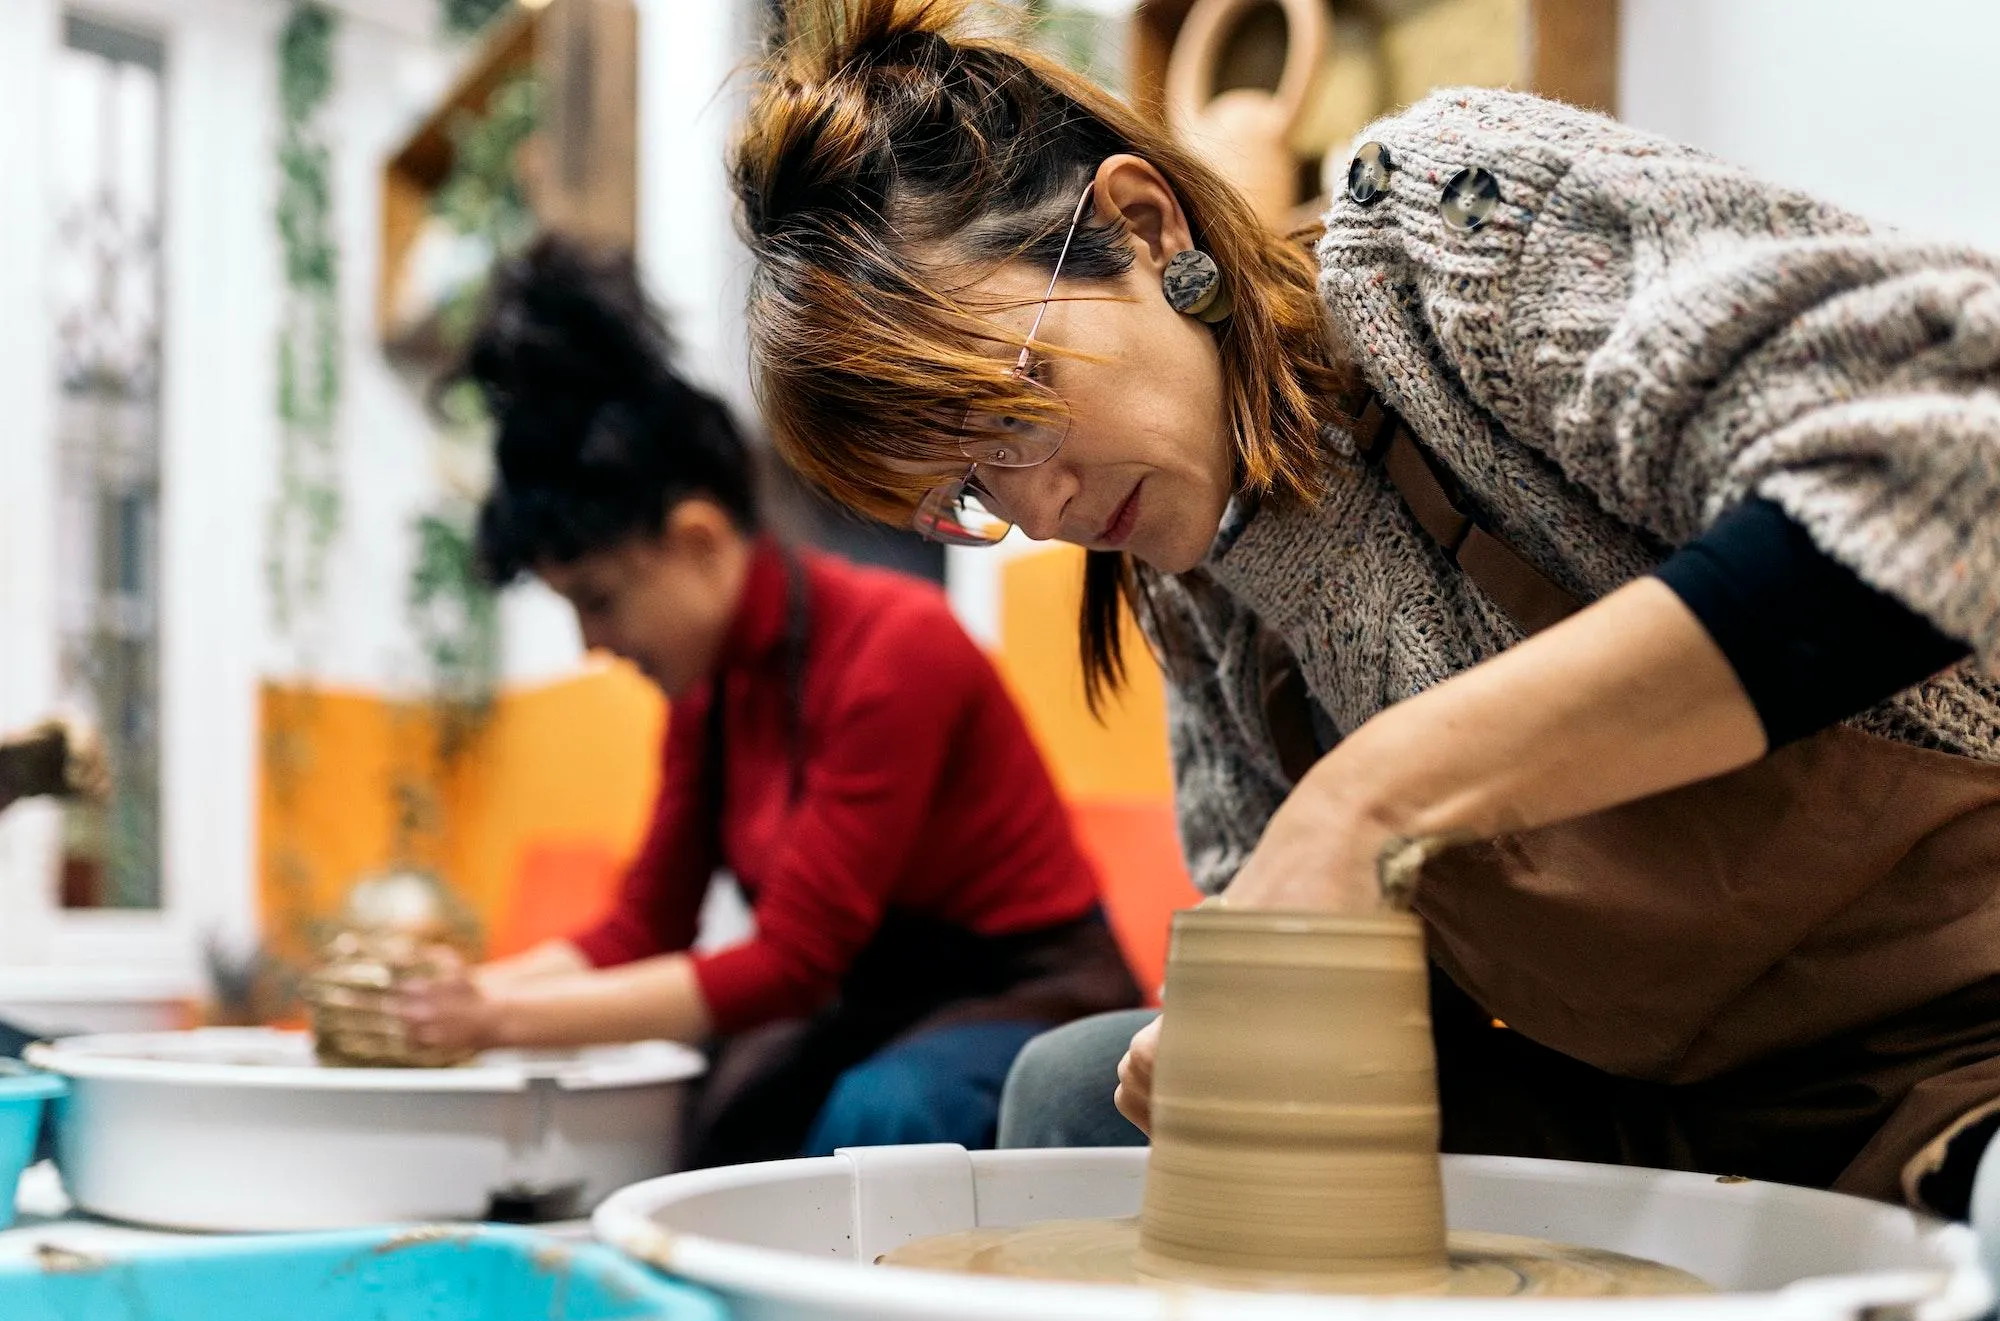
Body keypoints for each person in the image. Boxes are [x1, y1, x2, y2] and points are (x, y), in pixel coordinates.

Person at [726, 0, 2000, 1215]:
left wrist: (1370, 794)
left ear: (1144, 223)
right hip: (1649, 1098)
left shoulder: (1443, 234)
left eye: (1009, 409)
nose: (1038, 506)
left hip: (1950, 1052)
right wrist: (1244, 1000)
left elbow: (1956, 465)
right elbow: (1330, 956)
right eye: (964, 490)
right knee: (1075, 1094)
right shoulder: (1187, 595)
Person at [391, 237, 1141, 1166]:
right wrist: (455, 1000)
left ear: (699, 539)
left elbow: (791, 963)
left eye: (599, 598)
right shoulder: (710, 691)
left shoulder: (895, 646)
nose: (594, 643)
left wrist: (491, 1017)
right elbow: (642, 927)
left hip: (1030, 993)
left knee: (880, 1120)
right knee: (717, 1121)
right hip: (875, 1001)